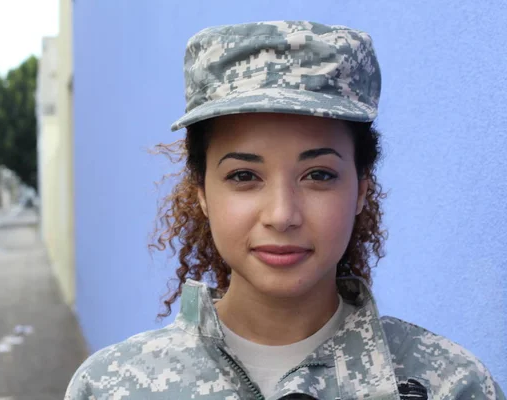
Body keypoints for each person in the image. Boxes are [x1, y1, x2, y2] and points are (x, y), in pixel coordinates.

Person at [65, 20, 505, 400]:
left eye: (318, 175)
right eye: (243, 176)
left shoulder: (450, 383)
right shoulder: (112, 386)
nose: (281, 214)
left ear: (361, 191)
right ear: (200, 192)